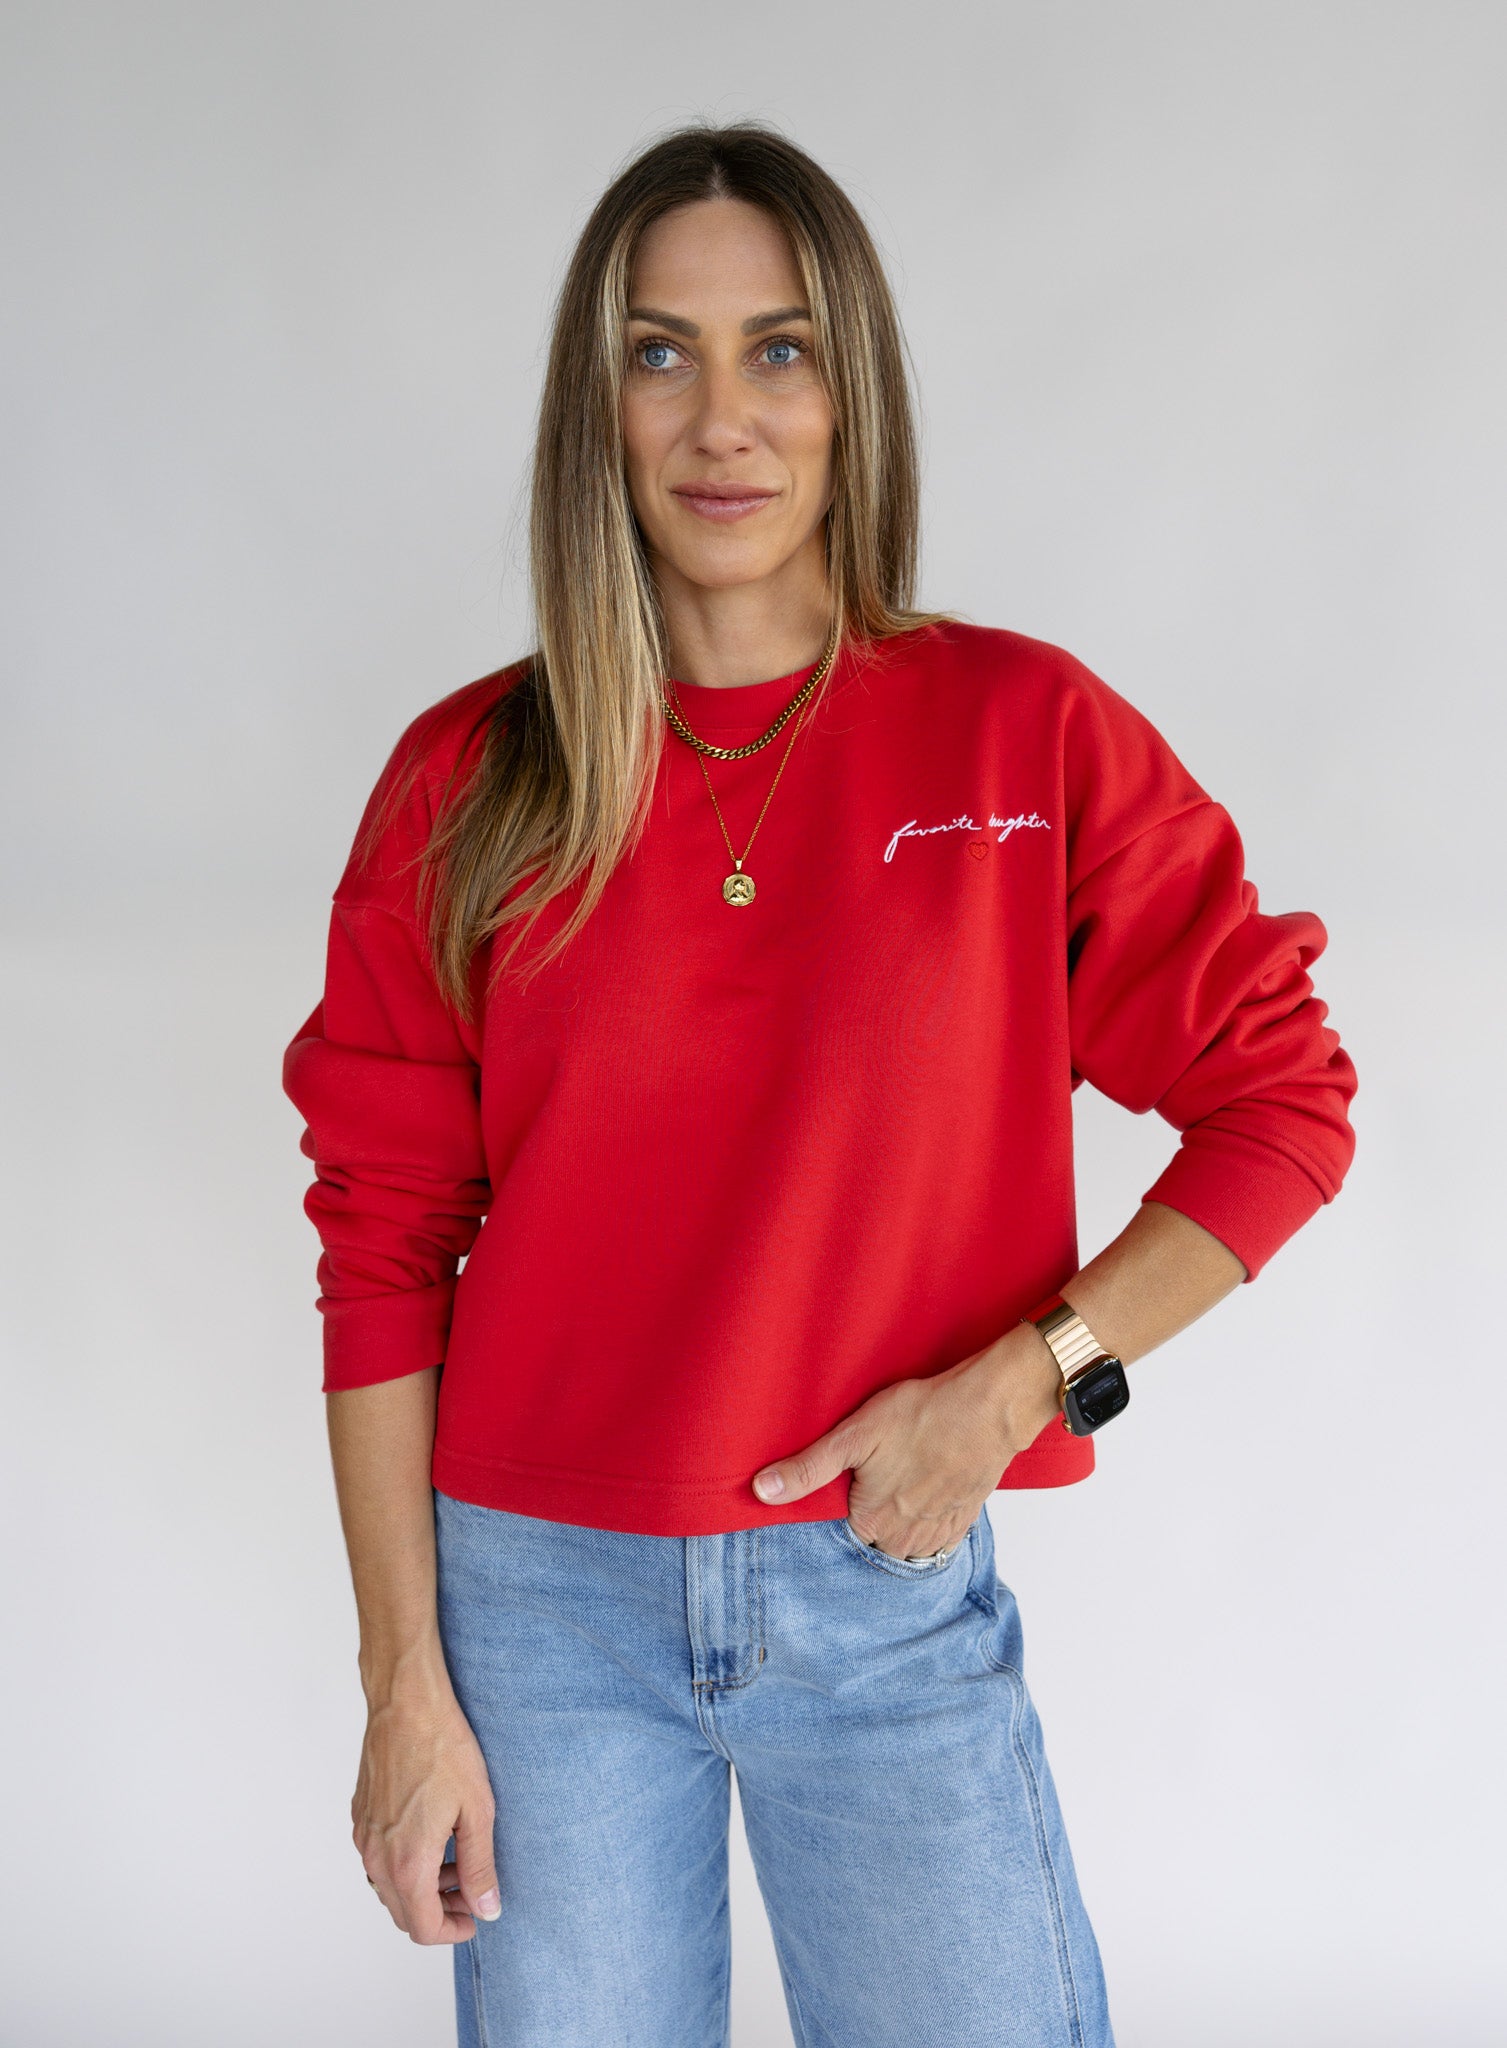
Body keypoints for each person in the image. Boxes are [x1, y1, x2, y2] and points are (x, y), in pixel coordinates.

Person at [282, 121, 1357, 2048]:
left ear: (851, 391)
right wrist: (401, 1689)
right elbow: (380, 1252)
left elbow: (1281, 1100)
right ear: (597, 405)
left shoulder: (1020, 733)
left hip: (885, 1587)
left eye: (779, 350)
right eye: (660, 352)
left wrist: (1022, 1384)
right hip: (539, 1622)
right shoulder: (470, 783)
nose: (724, 420)